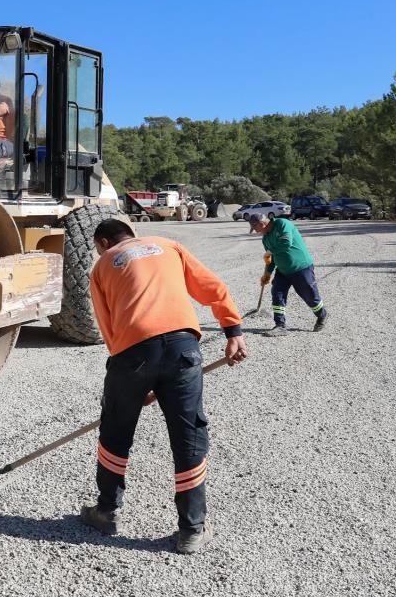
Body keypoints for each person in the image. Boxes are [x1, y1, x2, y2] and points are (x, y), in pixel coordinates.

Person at [81, 218, 248, 554]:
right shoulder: (168, 246)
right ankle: (191, 530)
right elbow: (212, 287)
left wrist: (133, 379)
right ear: (133, 234)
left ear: (104, 243)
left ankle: (107, 512)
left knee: (115, 430)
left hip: (131, 353)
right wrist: (233, 331)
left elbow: (107, 324)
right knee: (188, 436)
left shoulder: (102, 265)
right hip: (183, 349)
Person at [247, 212, 327, 331]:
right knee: (277, 293)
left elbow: (286, 243)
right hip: (282, 270)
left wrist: (270, 252)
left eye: (255, 228)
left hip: (300, 267)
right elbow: (271, 259)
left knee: (309, 295)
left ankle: (322, 315)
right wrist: (267, 274)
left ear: (262, 223)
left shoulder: (282, 224)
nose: (256, 231)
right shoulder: (265, 239)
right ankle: (280, 325)